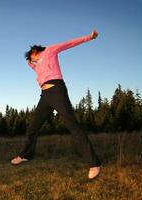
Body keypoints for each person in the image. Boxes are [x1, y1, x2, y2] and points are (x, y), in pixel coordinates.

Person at [11, 30, 102, 179]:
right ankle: (25, 155)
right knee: (33, 126)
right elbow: (39, 70)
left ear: (34, 50)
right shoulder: (37, 63)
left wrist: (89, 37)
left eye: (31, 56)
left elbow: (69, 43)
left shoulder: (49, 50)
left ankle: (94, 163)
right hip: (45, 95)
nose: (31, 59)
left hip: (57, 90)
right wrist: (31, 65)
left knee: (72, 125)